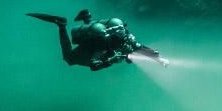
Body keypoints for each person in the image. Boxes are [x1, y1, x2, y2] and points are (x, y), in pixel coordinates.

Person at [27, 9, 167, 70]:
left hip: (98, 40)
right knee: (69, 59)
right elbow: (94, 66)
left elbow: (140, 48)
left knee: (101, 34)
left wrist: (159, 59)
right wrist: (108, 61)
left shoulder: (124, 37)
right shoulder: (104, 46)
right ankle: (61, 26)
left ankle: (85, 18)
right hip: (89, 48)